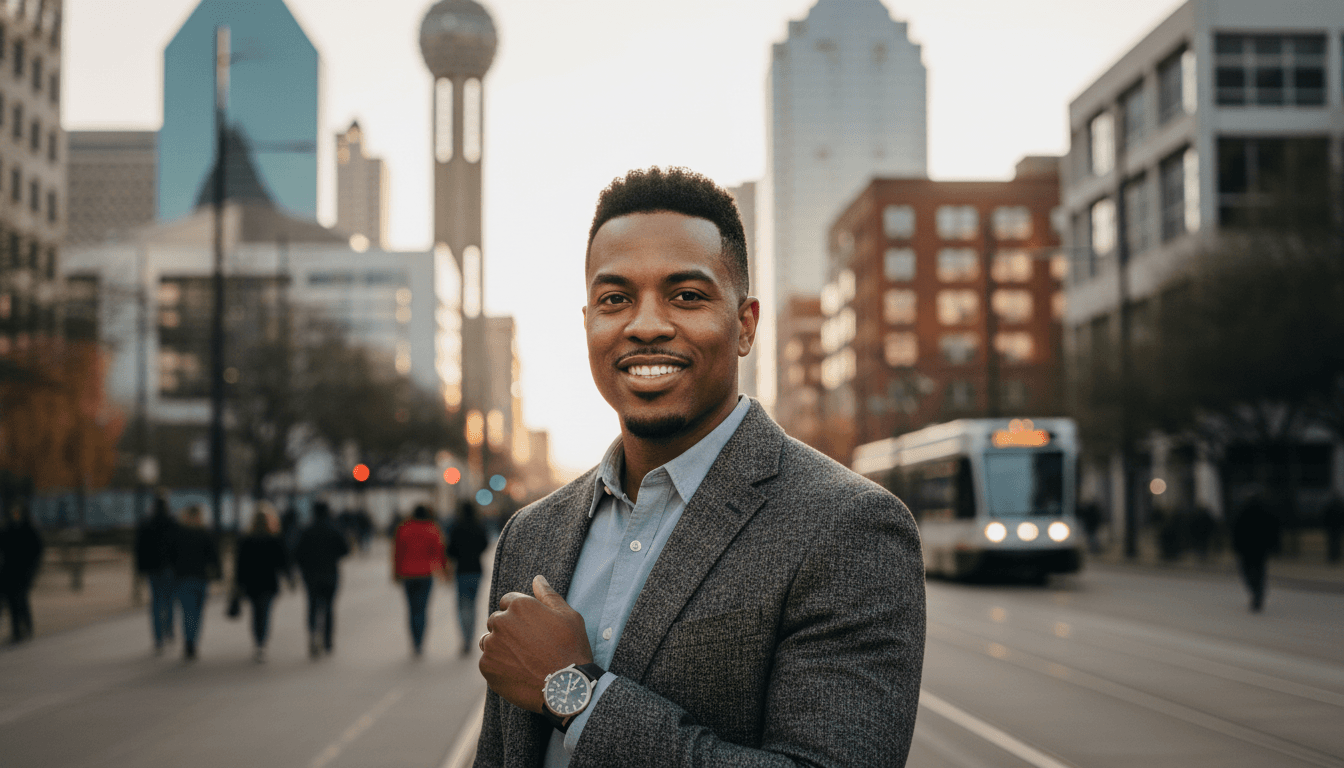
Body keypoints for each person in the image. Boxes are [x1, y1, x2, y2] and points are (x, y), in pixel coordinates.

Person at [475, 168, 925, 767]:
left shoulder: (849, 527)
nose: (646, 324)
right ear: (587, 324)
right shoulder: (531, 534)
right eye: (615, 299)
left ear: (745, 325)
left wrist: (576, 693)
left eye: (687, 295)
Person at [234, 502, 292, 662]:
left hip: (251, 583)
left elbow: (240, 565)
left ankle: (257, 640)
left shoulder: (246, 540)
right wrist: (290, 579)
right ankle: (262, 641)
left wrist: (238, 584)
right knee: (265, 612)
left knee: (255, 612)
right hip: (269, 582)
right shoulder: (275, 540)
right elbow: (283, 563)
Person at [295, 501, 349, 658]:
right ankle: (327, 640)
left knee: (312, 606)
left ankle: (313, 634)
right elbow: (345, 550)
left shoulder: (306, 531)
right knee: (329, 608)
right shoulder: (334, 529)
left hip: (311, 575)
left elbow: (297, 553)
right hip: (330, 574)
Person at [392, 504, 448, 656]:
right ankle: (420, 641)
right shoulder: (432, 528)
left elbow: (397, 552)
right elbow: (439, 551)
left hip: (407, 575)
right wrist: (444, 571)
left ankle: (414, 640)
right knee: (422, 609)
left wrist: (395, 572)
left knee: (411, 609)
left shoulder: (403, 528)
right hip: (425, 574)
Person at [166, 505, 220, 660]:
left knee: (187, 612)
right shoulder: (205, 533)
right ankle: (193, 640)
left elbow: (170, 556)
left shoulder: (178, 534)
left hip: (183, 578)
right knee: (197, 612)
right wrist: (217, 573)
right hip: (200, 579)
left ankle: (189, 641)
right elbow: (213, 557)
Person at [134, 493, 179, 653]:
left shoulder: (146, 523)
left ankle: (158, 637)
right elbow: (178, 548)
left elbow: (139, 549)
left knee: (156, 601)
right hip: (169, 568)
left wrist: (139, 570)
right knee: (170, 600)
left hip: (152, 568)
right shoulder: (173, 523)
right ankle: (169, 630)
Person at [445, 500, 489, 655]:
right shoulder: (479, 526)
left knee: (463, 606)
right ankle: (471, 636)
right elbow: (485, 544)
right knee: (473, 605)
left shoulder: (456, 528)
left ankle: (466, 639)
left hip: (461, 571)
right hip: (476, 570)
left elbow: (449, 550)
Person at [0, 503, 44, 643]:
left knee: (20, 600)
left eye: (17, 512)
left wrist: (31, 571)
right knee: (12, 601)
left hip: (24, 573)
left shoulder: (30, 530)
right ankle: (18, 631)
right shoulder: (8, 529)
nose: (15, 515)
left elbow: (37, 551)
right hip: (8, 572)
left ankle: (25, 628)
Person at [1232, 491, 1280, 612]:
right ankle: (1259, 592)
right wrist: (1274, 546)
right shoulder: (1266, 511)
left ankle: (1255, 591)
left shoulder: (1241, 511)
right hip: (1261, 547)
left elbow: (1236, 531)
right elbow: (1273, 529)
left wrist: (1236, 547)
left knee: (1247, 571)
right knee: (1260, 570)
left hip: (1246, 548)